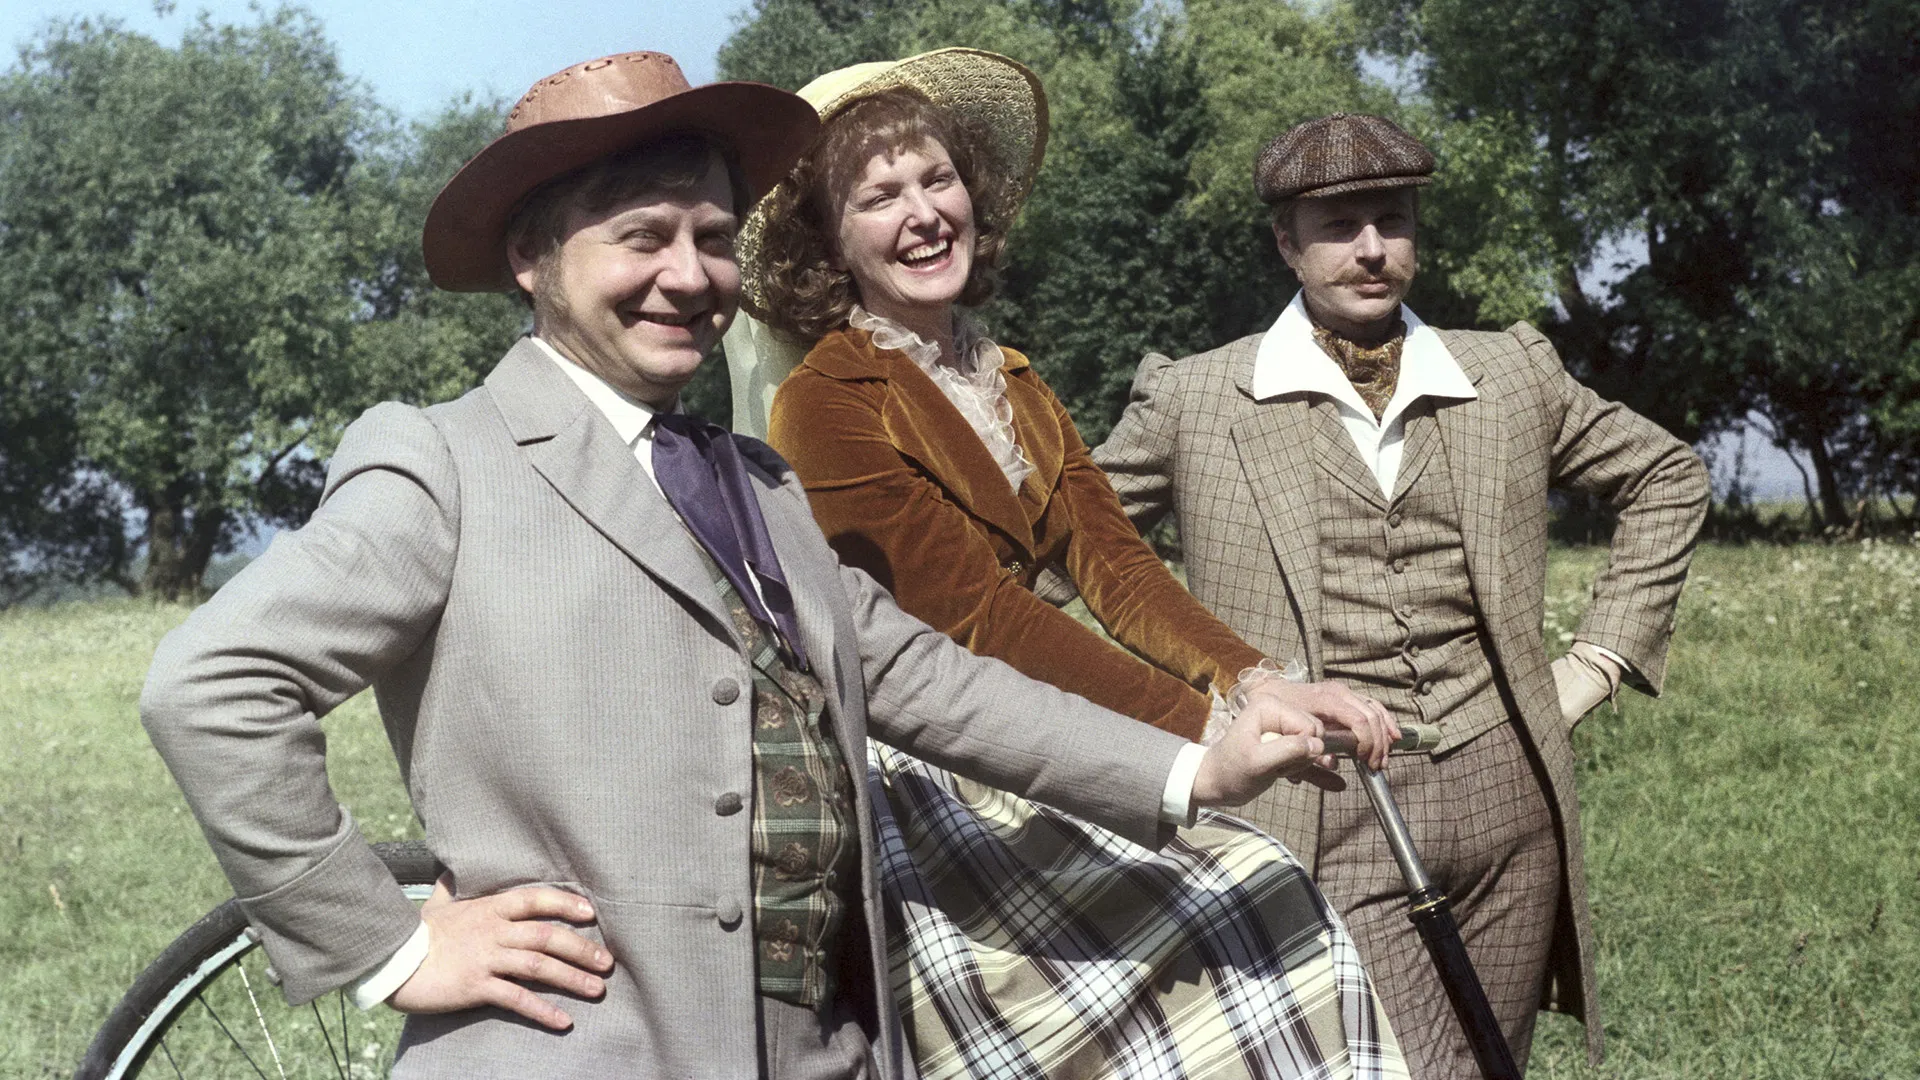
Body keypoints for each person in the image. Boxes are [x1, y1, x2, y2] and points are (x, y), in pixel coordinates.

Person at [137, 53, 1347, 1080]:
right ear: (532, 258)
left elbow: (921, 674)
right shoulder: (444, 461)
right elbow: (214, 687)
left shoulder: (757, 484)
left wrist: (1194, 765)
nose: (689, 275)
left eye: (713, 239)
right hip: (578, 1051)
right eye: (641, 237)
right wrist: (389, 946)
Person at [734, 50, 1407, 1079]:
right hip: (940, 759)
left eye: (937, 179)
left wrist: (1255, 679)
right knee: (1247, 895)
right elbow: (977, 619)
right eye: (879, 196)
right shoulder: (827, 400)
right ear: (830, 242)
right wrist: (1204, 735)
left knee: (1267, 917)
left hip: (1044, 728)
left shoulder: (1009, 376)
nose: (923, 214)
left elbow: (1117, 565)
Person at [1091, 112, 1712, 1074]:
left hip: (1510, 799)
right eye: (1339, 226)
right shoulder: (1197, 399)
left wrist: (1595, 662)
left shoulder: (1508, 372)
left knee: (1493, 1059)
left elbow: (1669, 476)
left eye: (1393, 220)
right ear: (1287, 243)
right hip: (1323, 803)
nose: (1372, 249)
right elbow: (1069, 546)